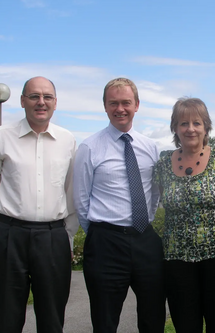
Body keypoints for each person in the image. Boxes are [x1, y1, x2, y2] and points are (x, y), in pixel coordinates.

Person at [0, 76, 79, 333]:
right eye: (34, 96)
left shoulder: (68, 140)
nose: (41, 102)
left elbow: (72, 194)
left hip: (53, 238)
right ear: (22, 101)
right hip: (9, 236)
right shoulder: (1, 136)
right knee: (7, 318)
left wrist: (68, 239)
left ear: (55, 103)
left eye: (47, 97)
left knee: (52, 320)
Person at [73, 77, 165, 333]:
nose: (120, 108)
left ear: (137, 105)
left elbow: (154, 193)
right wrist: (99, 233)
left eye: (126, 102)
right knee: (105, 320)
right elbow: (81, 200)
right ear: (105, 106)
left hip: (145, 240)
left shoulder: (151, 147)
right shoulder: (89, 147)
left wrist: (144, 219)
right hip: (106, 243)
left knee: (153, 316)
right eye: (113, 103)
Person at [154, 97, 215, 333]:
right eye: (183, 123)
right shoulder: (164, 163)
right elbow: (165, 202)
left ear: (206, 127)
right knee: (185, 326)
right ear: (175, 128)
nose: (190, 129)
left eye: (197, 123)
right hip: (177, 260)